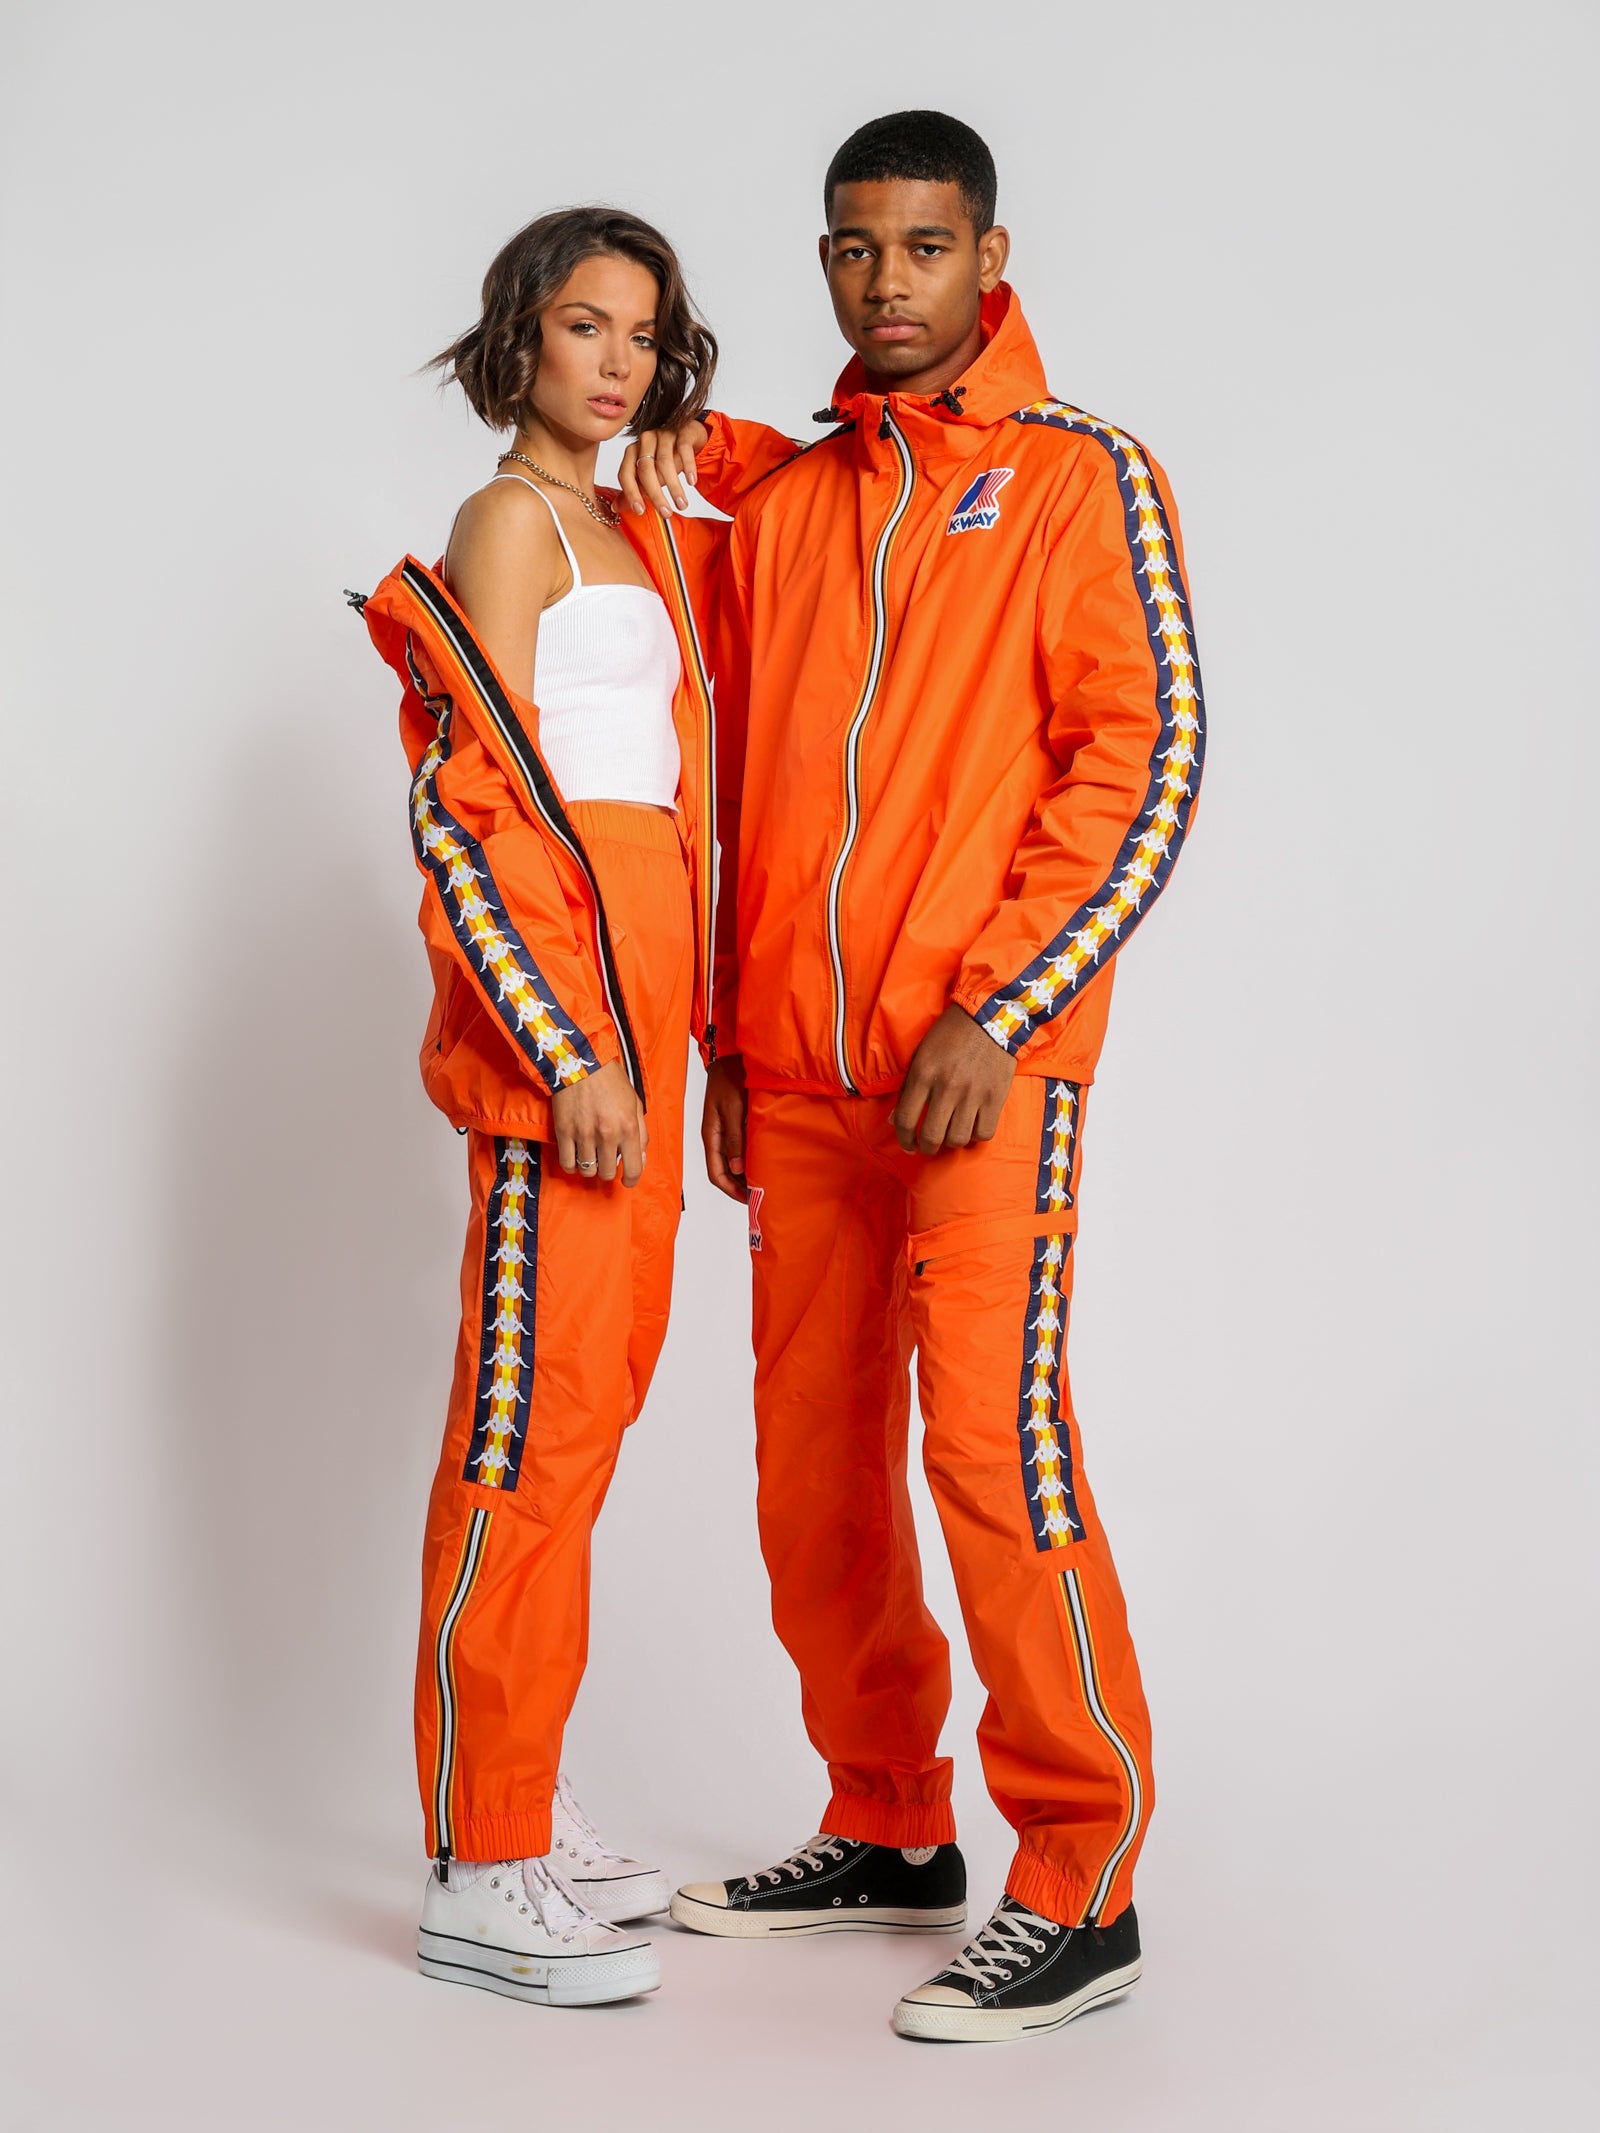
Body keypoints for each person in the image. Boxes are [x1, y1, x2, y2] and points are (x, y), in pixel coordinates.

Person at [623, 110, 1205, 2043]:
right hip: (800, 1077)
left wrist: (1003, 1008)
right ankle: (885, 1820)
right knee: (814, 1478)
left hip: (980, 1076)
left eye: (926, 247)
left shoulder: (1080, 475)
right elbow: (741, 783)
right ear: (825, 262)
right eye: (858, 248)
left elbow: (1142, 764)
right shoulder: (789, 506)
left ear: (991, 255)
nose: (890, 281)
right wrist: (728, 1037)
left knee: (991, 1457)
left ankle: (1082, 1877)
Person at [357, 206, 783, 2009]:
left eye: (646, 333)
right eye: (587, 324)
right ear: (521, 332)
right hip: (573, 1049)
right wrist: (568, 1053)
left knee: (587, 1423)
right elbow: (475, 813)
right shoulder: (509, 522)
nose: (619, 361)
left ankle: (523, 1803)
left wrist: (706, 1051)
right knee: (520, 1443)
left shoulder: (633, 525)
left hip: (652, 1030)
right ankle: (481, 1861)